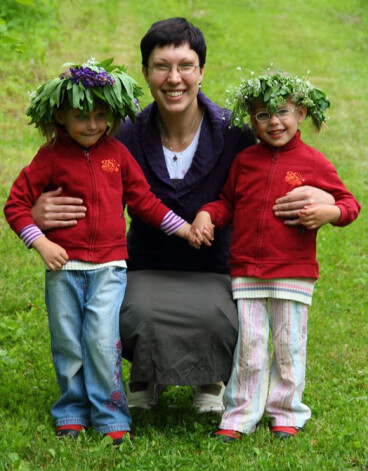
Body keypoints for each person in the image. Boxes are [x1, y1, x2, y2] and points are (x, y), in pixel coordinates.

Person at [30, 18, 336, 413]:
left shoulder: (232, 134)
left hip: (215, 268)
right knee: (129, 310)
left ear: (201, 71)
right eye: (162, 66)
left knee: (222, 313)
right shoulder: (123, 136)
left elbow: (280, 164)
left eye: (185, 65)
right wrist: (38, 213)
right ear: (145, 72)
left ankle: (210, 377)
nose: (174, 78)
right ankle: (144, 375)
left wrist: (323, 200)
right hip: (144, 267)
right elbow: (83, 183)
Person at [4, 58, 192, 444]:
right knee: (68, 341)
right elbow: (16, 206)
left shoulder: (116, 155)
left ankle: (110, 416)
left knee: (103, 341)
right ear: (59, 115)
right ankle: (72, 409)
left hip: (109, 267)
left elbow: (143, 200)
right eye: (81, 116)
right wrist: (41, 242)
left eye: (100, 115)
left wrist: (184, 227)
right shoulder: (50, 157)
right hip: (64, 269)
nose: (92, 125)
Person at [190, 71, 361, 441]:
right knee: (249, 348)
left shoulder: (313, 162)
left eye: (281, 111)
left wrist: (328, 212)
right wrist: (207, 214)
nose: (273, 122)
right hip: (248, 272)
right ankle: (239, 415)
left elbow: (350, 204)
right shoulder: (245, 161)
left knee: (288, 345)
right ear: (252, 120)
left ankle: (286, 411)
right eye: (262, 115)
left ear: (300, 113)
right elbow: (227, 203)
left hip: (292, 271)